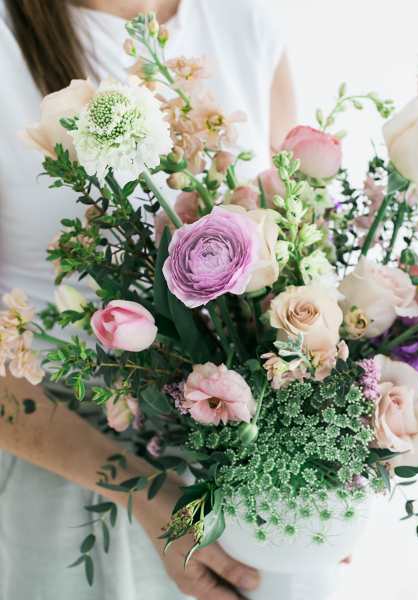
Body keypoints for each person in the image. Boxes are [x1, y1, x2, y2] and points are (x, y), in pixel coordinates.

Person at [0, 1, 297, 598]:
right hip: (69, 471)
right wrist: (148, 496)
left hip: (252, 474)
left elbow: (300, 246)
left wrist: (336, 468)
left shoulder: (244, 23)